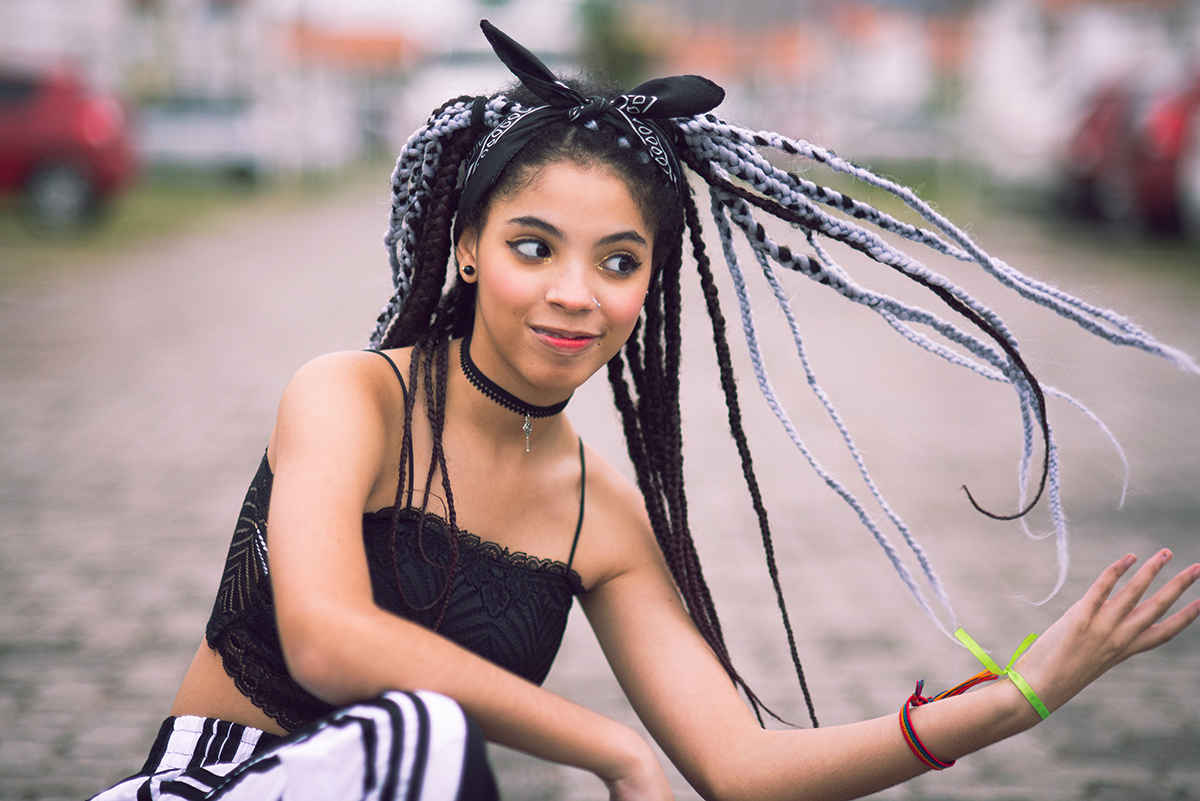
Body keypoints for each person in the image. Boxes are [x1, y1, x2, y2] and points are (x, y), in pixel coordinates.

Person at [92, 20, 1200, 801]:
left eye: (618, 261)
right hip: (217, 784)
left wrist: (1020, 698)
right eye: (535, 247)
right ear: (469, 250)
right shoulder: (351, 398)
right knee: (424, 733)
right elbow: (329, 642)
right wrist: (608, 747)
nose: (576, 292)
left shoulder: (598, 519)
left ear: (649, 285)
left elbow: (741, 767)